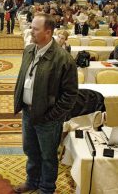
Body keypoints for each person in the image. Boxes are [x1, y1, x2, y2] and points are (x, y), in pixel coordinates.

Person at [13, 13, 78, 194]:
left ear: (48, 33)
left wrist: (52, 116)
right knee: (31, 150)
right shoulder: (29, 50)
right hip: (28, 112)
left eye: (35, 29)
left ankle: (47, 188)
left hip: (48, 118)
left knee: (48, 156)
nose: (30, 31)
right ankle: (32, 181)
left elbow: (70, 95)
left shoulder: (63, 59)